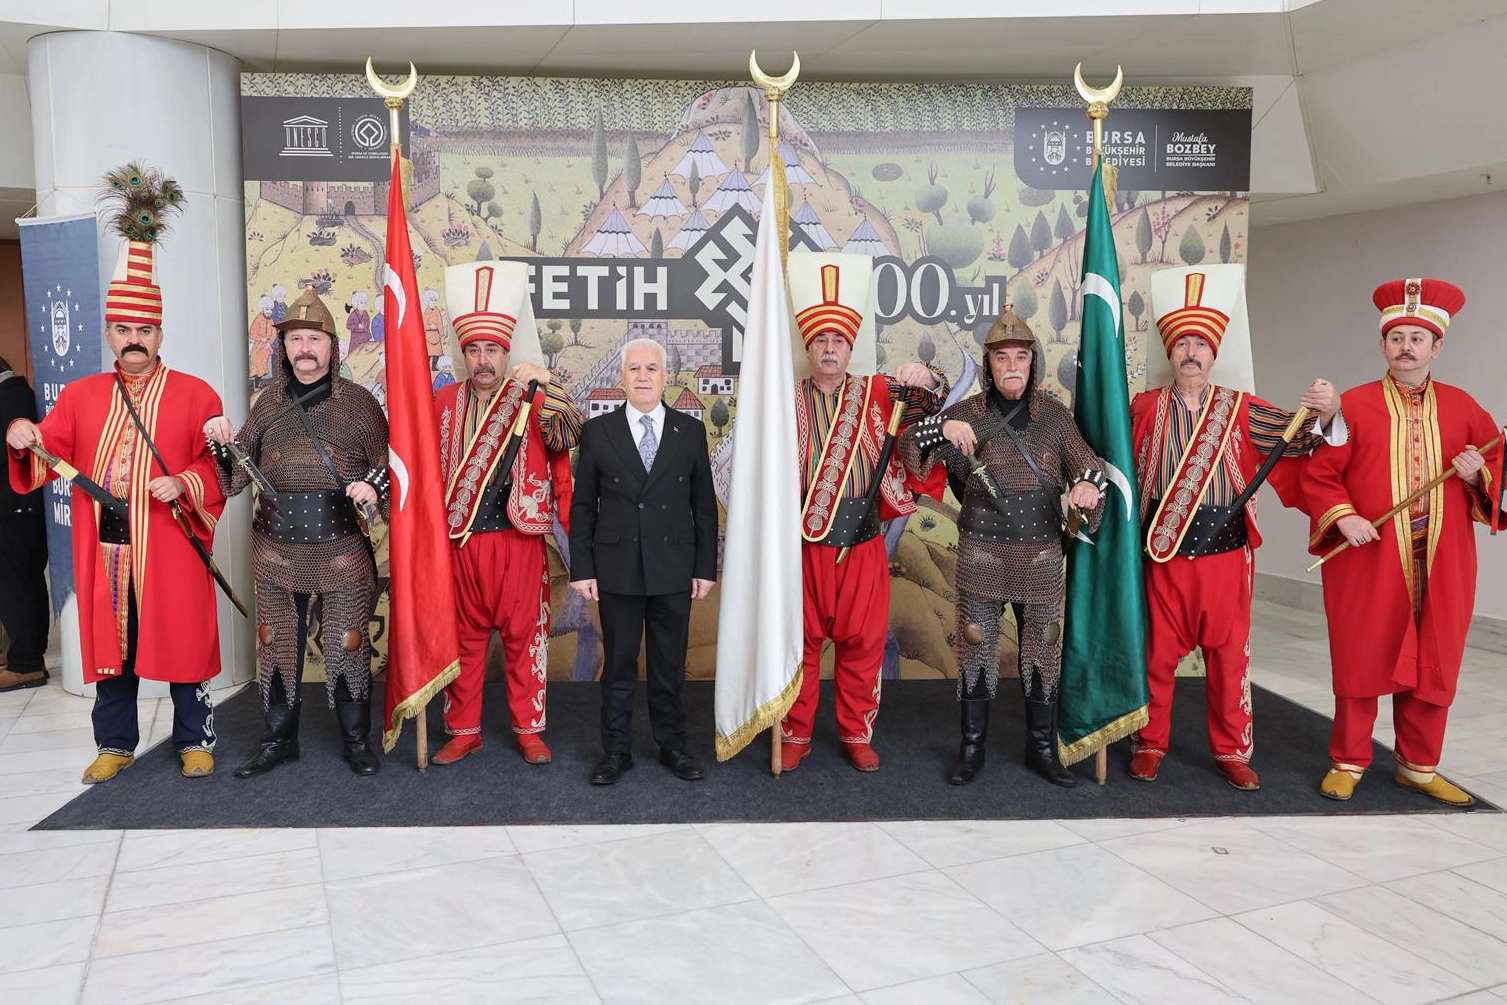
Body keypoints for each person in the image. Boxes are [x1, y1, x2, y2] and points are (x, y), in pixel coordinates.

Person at [6, 167, 224, 782]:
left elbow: (218, 468)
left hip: (172, 541)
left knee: (183, 643)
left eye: (144, 330)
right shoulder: (80, 395)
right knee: (113, 650)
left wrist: (185, 483)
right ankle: (115, 743)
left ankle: (195, 738)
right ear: (108, 333)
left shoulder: (196, 393)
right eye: (123, 330)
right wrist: (20, 433)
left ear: (160, 333)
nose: (134, 340)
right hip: (104, 546)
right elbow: (44, 446)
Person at [1128, 268, 1342, 790]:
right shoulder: (1145, 406)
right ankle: (1149, 743)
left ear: (1214, 352)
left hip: (1226, 554)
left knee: (1228, 657)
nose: (1191, 353)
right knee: (1156, 655)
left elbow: (1299, 439)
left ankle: (1231, 750)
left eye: (1200, 344)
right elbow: (1118, 464)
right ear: (1171, 352)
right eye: (1183, 344)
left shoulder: (1241, 408)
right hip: (1162, 552)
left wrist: (1327, 412)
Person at [1306, 277, 1504, 807]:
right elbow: (1319, 472)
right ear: (1382, 345)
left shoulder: (1463, 406)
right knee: (1361, 653)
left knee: (1436, 656)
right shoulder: (1352, 405)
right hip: (1369, 554)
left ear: (1437, 346)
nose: (1406, 347)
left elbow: (1496, 461)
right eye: (1397, 338)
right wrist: (1344, 517)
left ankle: (1419, 766)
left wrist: (1476, 474)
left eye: (1418, 338)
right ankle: (1348, 760)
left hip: (1442, 556)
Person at [902, 305, 1104, 786]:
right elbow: (910, 447)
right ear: (989, 364)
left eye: (1020, 357)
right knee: (976, 647)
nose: (1011, 366)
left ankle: (1041, 750)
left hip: (1040, 556)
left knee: (1042, 649)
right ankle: (972, 750)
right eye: (1001, 357)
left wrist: (1087, 486)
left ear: (1032, 361)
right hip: (982, 553)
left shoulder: (1054, 416)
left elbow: (1091, 467)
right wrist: (940, 427)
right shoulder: (967, 414)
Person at [205, 284, 389, 778]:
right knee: (275, 642)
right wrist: (221, 442)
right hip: (275, 551)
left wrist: (372, 487)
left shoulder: (360, 405)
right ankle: (278, 742)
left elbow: (389, 468)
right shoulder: (267, 404)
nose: (305, 348)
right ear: (283, 346)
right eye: (295, 339)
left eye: (314, 338)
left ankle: (356, 742)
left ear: (332, 345)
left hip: (340, 547)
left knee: (348, 642)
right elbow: (235, 478)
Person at [781, 252, 948, 773]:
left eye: (838, 340)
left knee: (863, 643)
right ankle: (796, 733)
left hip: (862, 542)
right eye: (820, 340)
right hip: (803, 546)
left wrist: (925, 376)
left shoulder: (877, 390)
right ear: (808, 347)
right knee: (800, 645)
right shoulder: (784, 399)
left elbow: (930, 401)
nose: (829, 348)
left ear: (850, 347)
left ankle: (856, 733)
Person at [430, 261, 584, 766]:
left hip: (518, 540)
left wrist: (547, 379)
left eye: (492, 350)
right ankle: (463, 732)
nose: (483, 360)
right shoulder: (443, 402)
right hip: (461, 543)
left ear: (507, 352)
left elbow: (571, 431)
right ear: (464, 354)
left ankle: (529, 731)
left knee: (526, 640)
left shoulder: (533, 397)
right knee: (463, 642)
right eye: (474, 350)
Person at [569, 337, 717, 785]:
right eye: (634, 368)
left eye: (652, 368)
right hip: (617, 568)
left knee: (668, 665)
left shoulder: (689, 431)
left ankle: (673, 747)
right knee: (618, 666)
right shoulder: (598, 432)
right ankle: (616, 752)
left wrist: (704, 567)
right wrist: (583, 568)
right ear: (622, 376)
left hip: (674, 566)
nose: (643, 376)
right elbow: (582, 507)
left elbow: (704, 506)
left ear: (666, 375)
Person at [0, 356, 50, 693]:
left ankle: (25, 663)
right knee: (25, 582)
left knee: (15, 586)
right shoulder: (19, 394)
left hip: (13, 509)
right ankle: (26, 652)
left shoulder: (10, 398)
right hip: (23, 508)